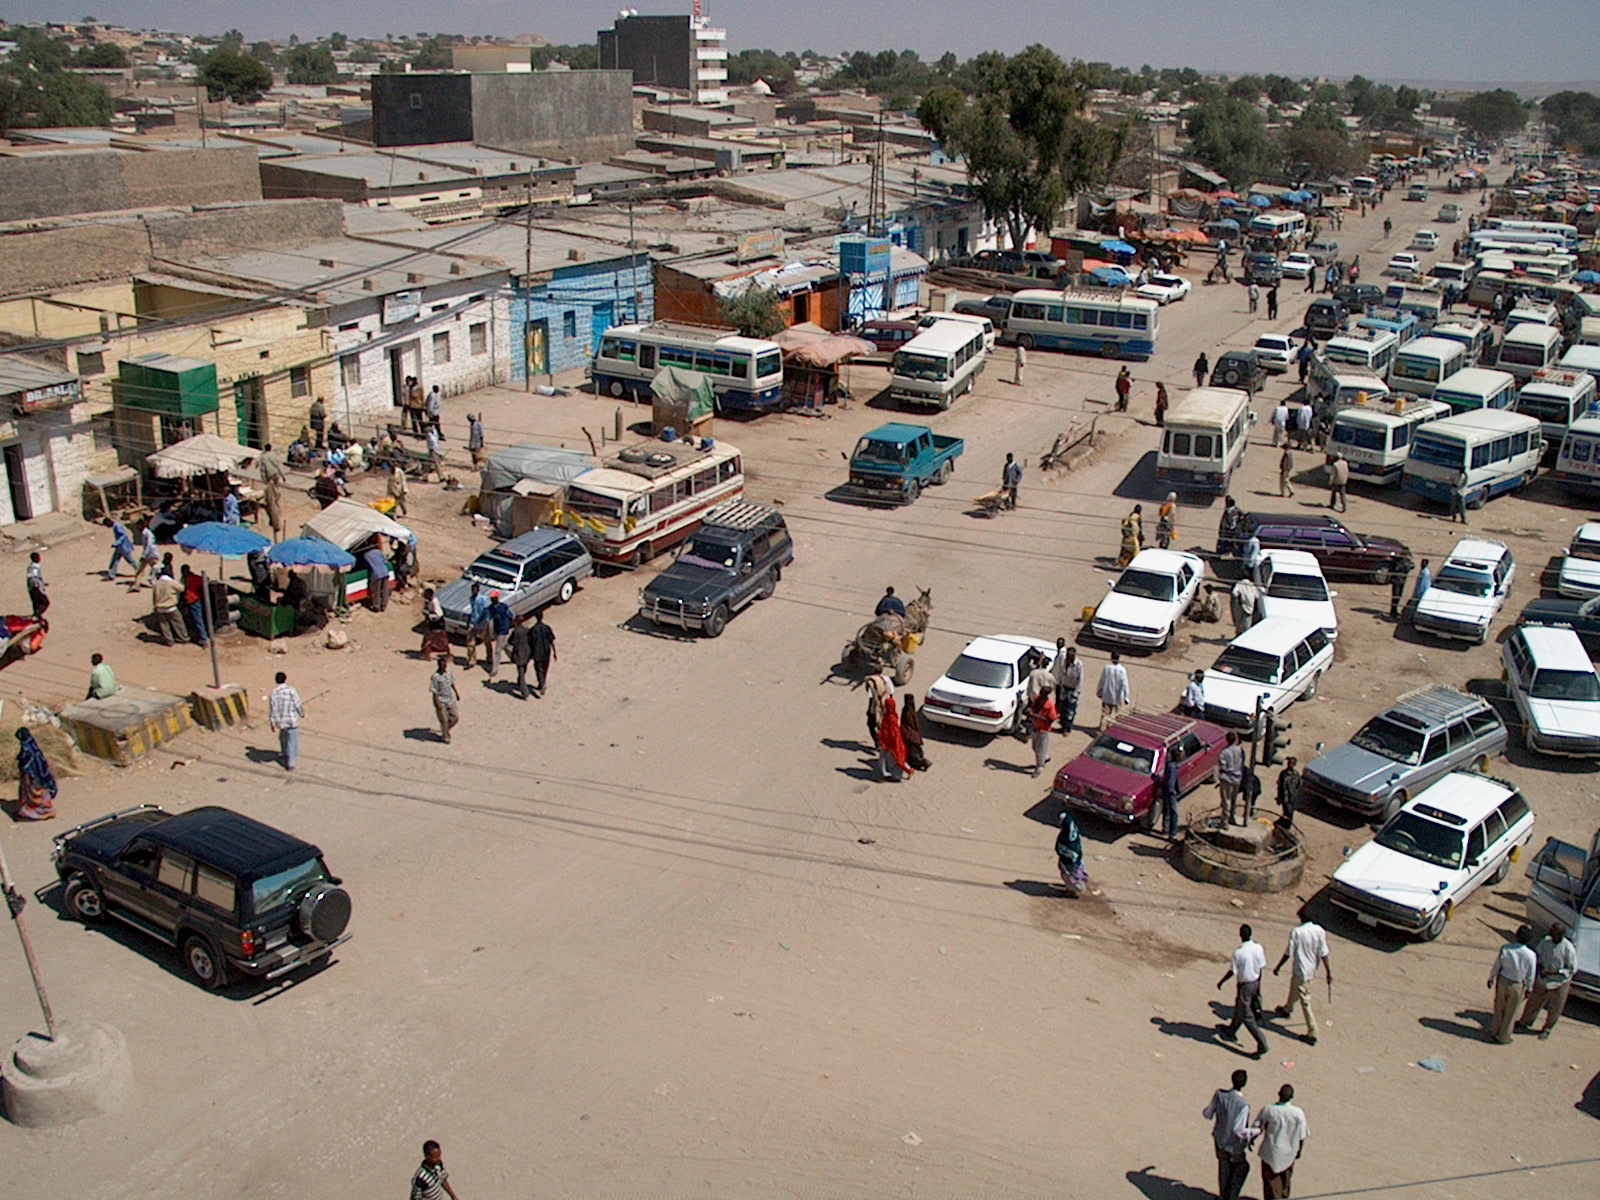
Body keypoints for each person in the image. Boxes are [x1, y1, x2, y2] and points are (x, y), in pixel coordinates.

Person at [1273, 909, 1330, 1046]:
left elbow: (1288, 953)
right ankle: (1287, 1009)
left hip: (1300, 970)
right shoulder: (1319, 931)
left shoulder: (1297, 932)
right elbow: (1324, 953)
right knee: (1295, 988)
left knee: (1305, 1001)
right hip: (1311, 970)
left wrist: (1278, 966)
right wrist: (1329, 972)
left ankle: (1312, 1032)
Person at [1517, 922, 1577, 1039]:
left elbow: (1572, 969)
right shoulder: (1546, 941)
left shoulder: (1568, 948)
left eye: (1554, 932)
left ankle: (1547, 1029)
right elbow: (1537, 956)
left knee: (1555, 1007)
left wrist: (1553, 972)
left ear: (1560, 934)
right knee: (1534, 1002)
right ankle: (1525, 1022)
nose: (1551, 933)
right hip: (1543, 978)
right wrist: (1539, 969)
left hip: (1559, 982)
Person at [1217, 924, 1270, 1059]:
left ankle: (1262, 1044)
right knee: (1240, 1008)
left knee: (1247, 1016)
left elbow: (1232, 971)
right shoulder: (1258, 948)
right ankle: (1231, 1030)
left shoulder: (1239, 952)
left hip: (1245, 985)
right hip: (1255, 982)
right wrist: (1259, 988)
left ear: (1240, 935)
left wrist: (1222, 981)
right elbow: (1261, 967)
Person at [1203, 1069, 1255, 1200]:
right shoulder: (1243, 1105)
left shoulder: (1219, 1095)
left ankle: (1222, 1196)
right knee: (1241, 1168)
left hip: (1219, 1140)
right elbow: (1239, 1130)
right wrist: (1255, 1132)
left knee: (1223, 1168)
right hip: (1234, 1146)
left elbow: (1208, 1114)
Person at [1253, 1083, 1308, 1199]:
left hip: (1270, 1152)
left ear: (1279, 1094)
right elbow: (1302, 1136)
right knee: (1285, 1182)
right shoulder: (1298, 1113)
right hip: (1289, 1153)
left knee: (1271, 1184)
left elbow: (1258, 1127)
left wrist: (1251, 1139)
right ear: (1292, 1096)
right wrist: (1299, 1151)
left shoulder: (1269, 1110)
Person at [1487, 925, 1538, 1043]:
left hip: (1503, 981)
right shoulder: (1531, 955)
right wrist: (1529, 989)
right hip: (1518, 985)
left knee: (1499, 1007)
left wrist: (1491, 978)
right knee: (1511, 1012)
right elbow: (1531, 974)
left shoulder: (1506, 948)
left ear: (1516, 935)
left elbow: (1497, 965)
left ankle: (1494, 1030)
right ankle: (1503, 1037)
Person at [14, 728, 59, 821]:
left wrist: (27, 776)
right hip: (38, 774)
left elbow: (27, 764)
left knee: (35, 794)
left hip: (32, 776)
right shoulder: (33, 747)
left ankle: (40, 811)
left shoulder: (27, 750)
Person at [268, 671, 304, 772]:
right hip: (291, 720)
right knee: (292, 741)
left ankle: (284, 753)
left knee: (283, 738)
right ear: (285, 679)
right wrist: (301, 713)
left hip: (281, 721)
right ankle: (291, 763)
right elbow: (297, 703)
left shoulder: (274, 693)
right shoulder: (291, 690)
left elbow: (272, 709)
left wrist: (272, 723)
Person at [876, 691, 910, 782]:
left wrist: (885, 741)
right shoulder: (893, 715)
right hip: (892, 742)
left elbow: (891, 732)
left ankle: (889, 775)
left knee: (888, 760)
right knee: (897, 758)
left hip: (889, 743)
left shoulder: (889, 718)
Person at [150, 565, 187, 645]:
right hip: (171, 607)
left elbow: (154, 596)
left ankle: (169, 640)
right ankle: (183, 637)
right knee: (178, 623)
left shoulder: (157, 583)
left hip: (160, 607)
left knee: (164, 626)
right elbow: (182, 588)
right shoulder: (171, 582)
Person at [1055, 810, 1087, 896]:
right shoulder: (1073, 829)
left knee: (1069, 874)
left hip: (1069, 860)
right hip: (1075, 857)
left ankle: (1071, 890)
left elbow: (1063, 848)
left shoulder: (1065, 836)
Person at [429, 657, 461, 743]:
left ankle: (445, 729)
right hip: (441, 700)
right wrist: (437, 703)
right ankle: (446, 736)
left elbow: (452, 683)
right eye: (442, 665)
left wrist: (456, 693)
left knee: (455, 717)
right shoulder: (435, 677)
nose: (444, 667)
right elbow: (434, 691)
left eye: (445, 664)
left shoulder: (449, 672)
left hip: (450, 698)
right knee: (444, 719)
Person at [1096, 650, 1131, 728]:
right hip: (1118, 697)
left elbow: (1102, 680)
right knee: (1117, 715)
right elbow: (1125, 684)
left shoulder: (1107, 668)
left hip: (1107, 694)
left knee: (1105, 714)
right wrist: (1126, 697)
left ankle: (1102, 729)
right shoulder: (1122, 670)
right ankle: (1113, 729)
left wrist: (1099, 691)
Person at [1028, 686, 1057, 778]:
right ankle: (1045, 757)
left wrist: (1036, 716)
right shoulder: (1037, 699)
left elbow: (1051, 719)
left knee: (1040, 750)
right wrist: (1030, 711)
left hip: (1043, 730)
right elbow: (1032, 708)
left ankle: (1039, 767)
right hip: (1035, 726)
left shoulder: (1049, 705)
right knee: (1034, 747)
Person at [1052, 642, 1081, 731]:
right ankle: (1063, 725)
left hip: (1073, 689)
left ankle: (1067, 728)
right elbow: (1061, 673)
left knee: (1070, 710)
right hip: (1064, 687)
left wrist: (1076, 692)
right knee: (1062, 708)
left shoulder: (1079, 665)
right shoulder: (1064, 662)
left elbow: (1080, 679)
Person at [1217, 732, 1246, 823]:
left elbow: (1222, 766)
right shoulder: (1240, 750)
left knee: (1226, 801)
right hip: (1237, 778)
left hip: (1227, 778)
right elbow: (1242, 763)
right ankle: (1232, 817)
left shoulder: (1224, 752)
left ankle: (1225, 821)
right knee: (1234, 800)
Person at [900, 693, 931, 772]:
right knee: (916, 751)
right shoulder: (912, 709)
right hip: (914, 736)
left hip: (910, 737)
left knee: (914, 753)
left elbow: (906, 724)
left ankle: (925, 763)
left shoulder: (907, 711)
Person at [529, 608, 557, 695]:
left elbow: (530, 642)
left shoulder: (533, 629)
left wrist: (530, 654)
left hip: (537, 652)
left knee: (538, 669)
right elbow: (551, 640)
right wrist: (555, 652)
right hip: (546, 651)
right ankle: (543, 682)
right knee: (545, 668)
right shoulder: (547, 628)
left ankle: (542, 683)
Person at [180, 564, 209, 648]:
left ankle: (203, 639)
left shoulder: (192, 578)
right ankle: (195, 636)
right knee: (191, 620)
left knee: (198, 620)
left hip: (194, 601)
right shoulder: (184, 579)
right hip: (187, 602)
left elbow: (205, 580)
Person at [486, 590, 513, 677]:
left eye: (493, 598)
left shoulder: (503, 607)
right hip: (497, 630)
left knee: (497, 650)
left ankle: (494, 669)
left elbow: (510, 615)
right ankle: (514, 656)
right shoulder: (491, 608)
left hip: (503, 629)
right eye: (491, 598)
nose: (492, 600)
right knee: (504, 645)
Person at [363, 536, 392, 613]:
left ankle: (376, 606)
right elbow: (384, 561)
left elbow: (367, 566)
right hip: (385, 572)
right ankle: (384, 605)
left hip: (376, 574)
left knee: (376, 591)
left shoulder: (366, 555)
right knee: (385, 589)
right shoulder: (379, 552)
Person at [464, 583, 490, 668]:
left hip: (482, 624)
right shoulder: (471, 599)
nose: (473, 592)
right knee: (470, 643)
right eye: (472, 590)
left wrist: (483, 623)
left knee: (486, 641)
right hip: (473, 623)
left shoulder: (482, 599)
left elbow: (485, 612)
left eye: (475, 590)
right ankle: (472, 660)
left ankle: (489, 657)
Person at [421, 588, 450, 661]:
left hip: (437, 622)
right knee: (428, 637)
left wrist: (430, 616)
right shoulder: (429, 601)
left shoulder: (434, 602)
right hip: (433, 622)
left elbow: (438, 614)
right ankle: (426, 653)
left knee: (437, 638)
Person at [1159, 750, 1183, 839]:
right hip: (1171, 793)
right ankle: (1172, 834)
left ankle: (1166, 828)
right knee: (1174, 813)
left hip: (1169, 792)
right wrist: (1173, 792)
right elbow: (1171, 782)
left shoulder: (1171, 766)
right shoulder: (1172, 768)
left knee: (1167, 810)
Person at [129, 523, 160, 590]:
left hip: (150, 554)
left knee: (140, 570)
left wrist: (144, 555)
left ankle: (137, 585)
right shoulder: (145, 533)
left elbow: (149, 545)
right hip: (151, 554)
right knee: (155, 569)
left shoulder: (147, 533)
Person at [1275, 756, 1302, 825]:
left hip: (1292, 797)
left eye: (1292, 763)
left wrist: (1296, 794)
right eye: (1289, 763)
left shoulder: (1296, 774)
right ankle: (1284, 823)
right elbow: (1280, 786)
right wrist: (1278, 797)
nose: (1290, 765)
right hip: (1285, 796)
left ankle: (1287, 823)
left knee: (1290, 812)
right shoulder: (1283, 773)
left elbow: (1298, 786)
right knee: (1287, 811)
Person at [25, 551, 49, 617]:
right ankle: (37, 615)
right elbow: (32, 577)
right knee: (43, 602)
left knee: (37, 603)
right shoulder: (33, 567)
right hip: (36, 587)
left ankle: (37, 615)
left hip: (36, 586)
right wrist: (35, 585)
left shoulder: (36, 566)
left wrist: (43, 583)